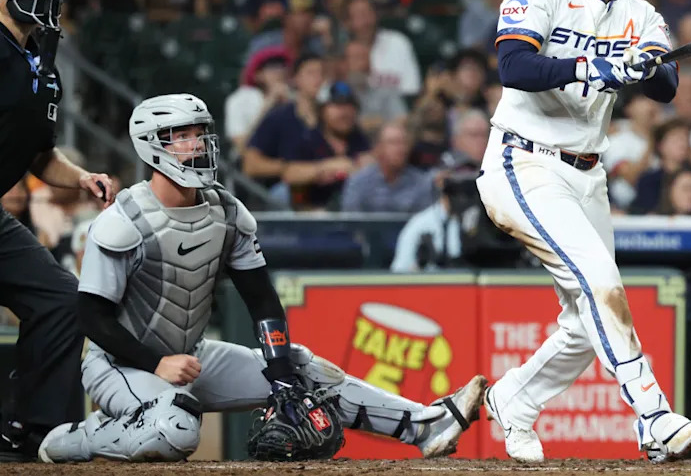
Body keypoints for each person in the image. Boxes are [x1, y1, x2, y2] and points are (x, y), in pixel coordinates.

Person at [37, 94, 486, 463]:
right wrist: (155, 363)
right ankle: (82, 437)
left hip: (193, 354)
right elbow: (92, 318)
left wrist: (280, 373)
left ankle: (425, 425)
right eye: (183, 136)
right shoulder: (123, 219)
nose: (197, 144)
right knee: (175, 429)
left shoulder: (227, 210)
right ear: (152, 144)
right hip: (120, 364)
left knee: (300, 368)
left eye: (200, 133)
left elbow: (262, 300)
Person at [476, 0, 691, 463]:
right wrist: (596, 63)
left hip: (587, 173)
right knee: (600, 280)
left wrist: (642, 63)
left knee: (586, 320)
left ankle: (515, 399)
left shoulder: (641, 13)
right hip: (523, 160)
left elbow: (666, 85)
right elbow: (514, 64)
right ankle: (653, 416)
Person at [0, 0, 116, 461]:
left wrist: (82, 176)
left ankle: (33, 430)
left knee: (61, 300)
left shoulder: (42, 65)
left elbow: (41, 156)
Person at [244, 57, 370, 210]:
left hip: (334, 196)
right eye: (311, 73)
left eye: (322, 74)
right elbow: (250, 165)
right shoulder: (280, 117)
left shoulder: (339, 122)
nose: (318, 79)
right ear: (295, 79)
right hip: (286, 195)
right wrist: (312, 168)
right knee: (283, 193)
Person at [340, 120, 433, 213]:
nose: (401, 149)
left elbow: (424, 223)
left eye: (404, 143)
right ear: (377, 148)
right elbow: (351, 223)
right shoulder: (358, 183)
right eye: (393, 143)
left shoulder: (422, 183)